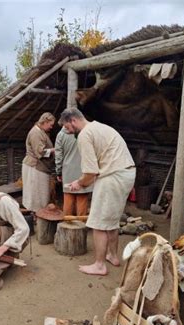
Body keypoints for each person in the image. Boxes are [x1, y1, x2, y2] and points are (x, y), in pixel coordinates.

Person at [58, 107, 136, 276]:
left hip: (113, 176)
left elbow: (90, 173)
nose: (68, 132)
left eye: (67, 128)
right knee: (111, 219)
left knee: (98, 223)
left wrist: (79, 183)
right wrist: (83, 182)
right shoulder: (100, 127)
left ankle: (99, 265)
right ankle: (113, 256)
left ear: (73, 120)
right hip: (127, 173)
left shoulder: (85, 135)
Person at [55, 125, 93, 216]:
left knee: (68, 198)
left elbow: (58, 156)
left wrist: (58, 172)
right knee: (82, 198)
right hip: (83, 170)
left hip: (68, 172)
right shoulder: (84, 133)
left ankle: (67, 224)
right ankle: (81, 226)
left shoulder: (60, 135)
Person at [22, 112, 56, 213]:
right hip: (34, 167)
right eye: (51, 125)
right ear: (45, 122)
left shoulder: (41, 132)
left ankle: (38, 213)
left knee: (40, 194)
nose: (51, 127)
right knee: (35, 194)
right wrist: (54, 150)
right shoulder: (35, 133)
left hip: (39, 167)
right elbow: (39, 152)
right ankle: (35, 214)